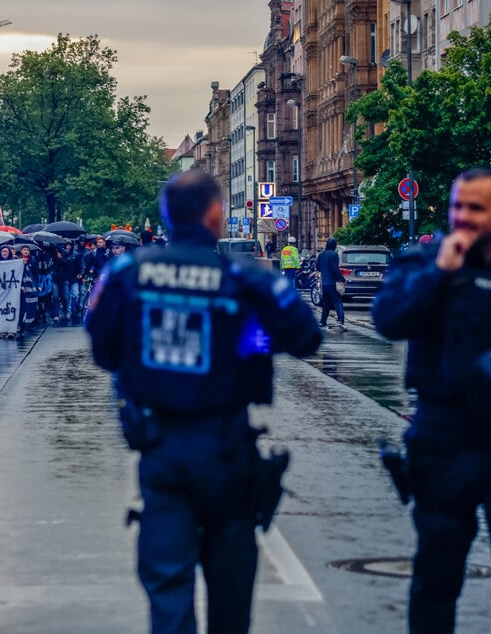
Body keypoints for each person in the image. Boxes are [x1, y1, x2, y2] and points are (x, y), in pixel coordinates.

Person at [86, 170, 321, 634]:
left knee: (168, 585)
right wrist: (251, 339)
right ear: (216, 214)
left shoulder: (126, 272)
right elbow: (306, 336)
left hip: (160, 447)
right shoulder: (245, 275)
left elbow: (101, 348)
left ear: (167, 216)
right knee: (231, 588)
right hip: (227, 447)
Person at [372, 167, 491, 634]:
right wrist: (442, 273)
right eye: (457, 207)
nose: (463, 218)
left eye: (476, 209)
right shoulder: (424, 262)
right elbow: (390, 319)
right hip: (445, 437)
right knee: (436, 576)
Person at [316, 237, 347, 331]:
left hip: (324, 283)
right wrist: (342, 279)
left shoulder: (321, 254)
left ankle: (322, 321)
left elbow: (318, 267)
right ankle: (340, 321)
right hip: (333, 283)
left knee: (326, 303)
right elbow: (335, 269)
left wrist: (325, 272)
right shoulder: (334, 254)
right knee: (338, 302)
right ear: (334, 245)